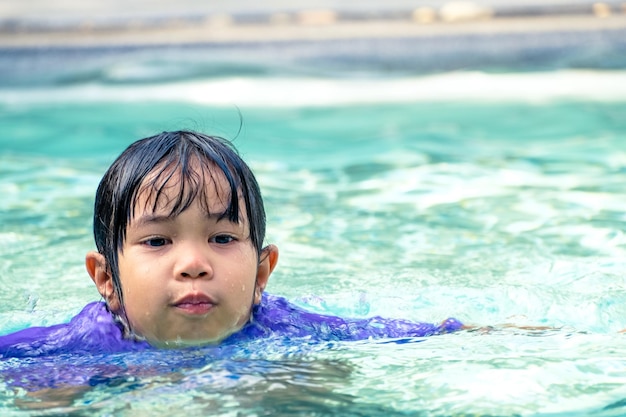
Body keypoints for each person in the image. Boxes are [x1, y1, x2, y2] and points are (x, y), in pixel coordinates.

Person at [0, 130, 464, 360]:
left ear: (262, 273)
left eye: (222, 238)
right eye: (158, 240)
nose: (194, 264)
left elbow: (408, 335)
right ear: (106, 278)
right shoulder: (72, 350)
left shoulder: (292, 333)